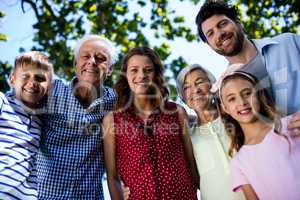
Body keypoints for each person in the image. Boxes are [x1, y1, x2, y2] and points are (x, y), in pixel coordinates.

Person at [102, 47, 198, 200]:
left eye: (148, 70)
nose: (141, 75)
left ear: (156, 75)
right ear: (125, 75)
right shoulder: (113, 119)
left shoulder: (177, 112)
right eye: (134, 70)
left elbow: (191, 162)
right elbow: (112, 176)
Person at [195, 0, 300, 134]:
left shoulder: (289, 43)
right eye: (210, 33)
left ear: (238, 23)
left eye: (222, 24)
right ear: (210, 45)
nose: (219, 34)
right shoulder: (226, 90)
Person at [37, 35, 117, 199]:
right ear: (75, 64)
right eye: (86, 56)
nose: (92, 61)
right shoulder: (52, 91)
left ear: (109, 69)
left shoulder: (116, 101)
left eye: (100, 58)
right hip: (43, 195)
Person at [214, 64, 300, 200]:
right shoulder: (239, 162)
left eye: (247, 93)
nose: (242, 102)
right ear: (225, 108)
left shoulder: (292, 124)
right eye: (232, 98)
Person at [176, 64, 244, 200]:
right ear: (183, 97)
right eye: (186, 87)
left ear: (212, 86)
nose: (195, 90)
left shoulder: (236, 117)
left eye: (200, 82)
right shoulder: (188, 136)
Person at [0, 51, 53, 199]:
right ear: (12, 79)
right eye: (25, 76)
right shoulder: (3, 102)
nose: (33, 82)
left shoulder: (42, 120)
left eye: (40, 78)